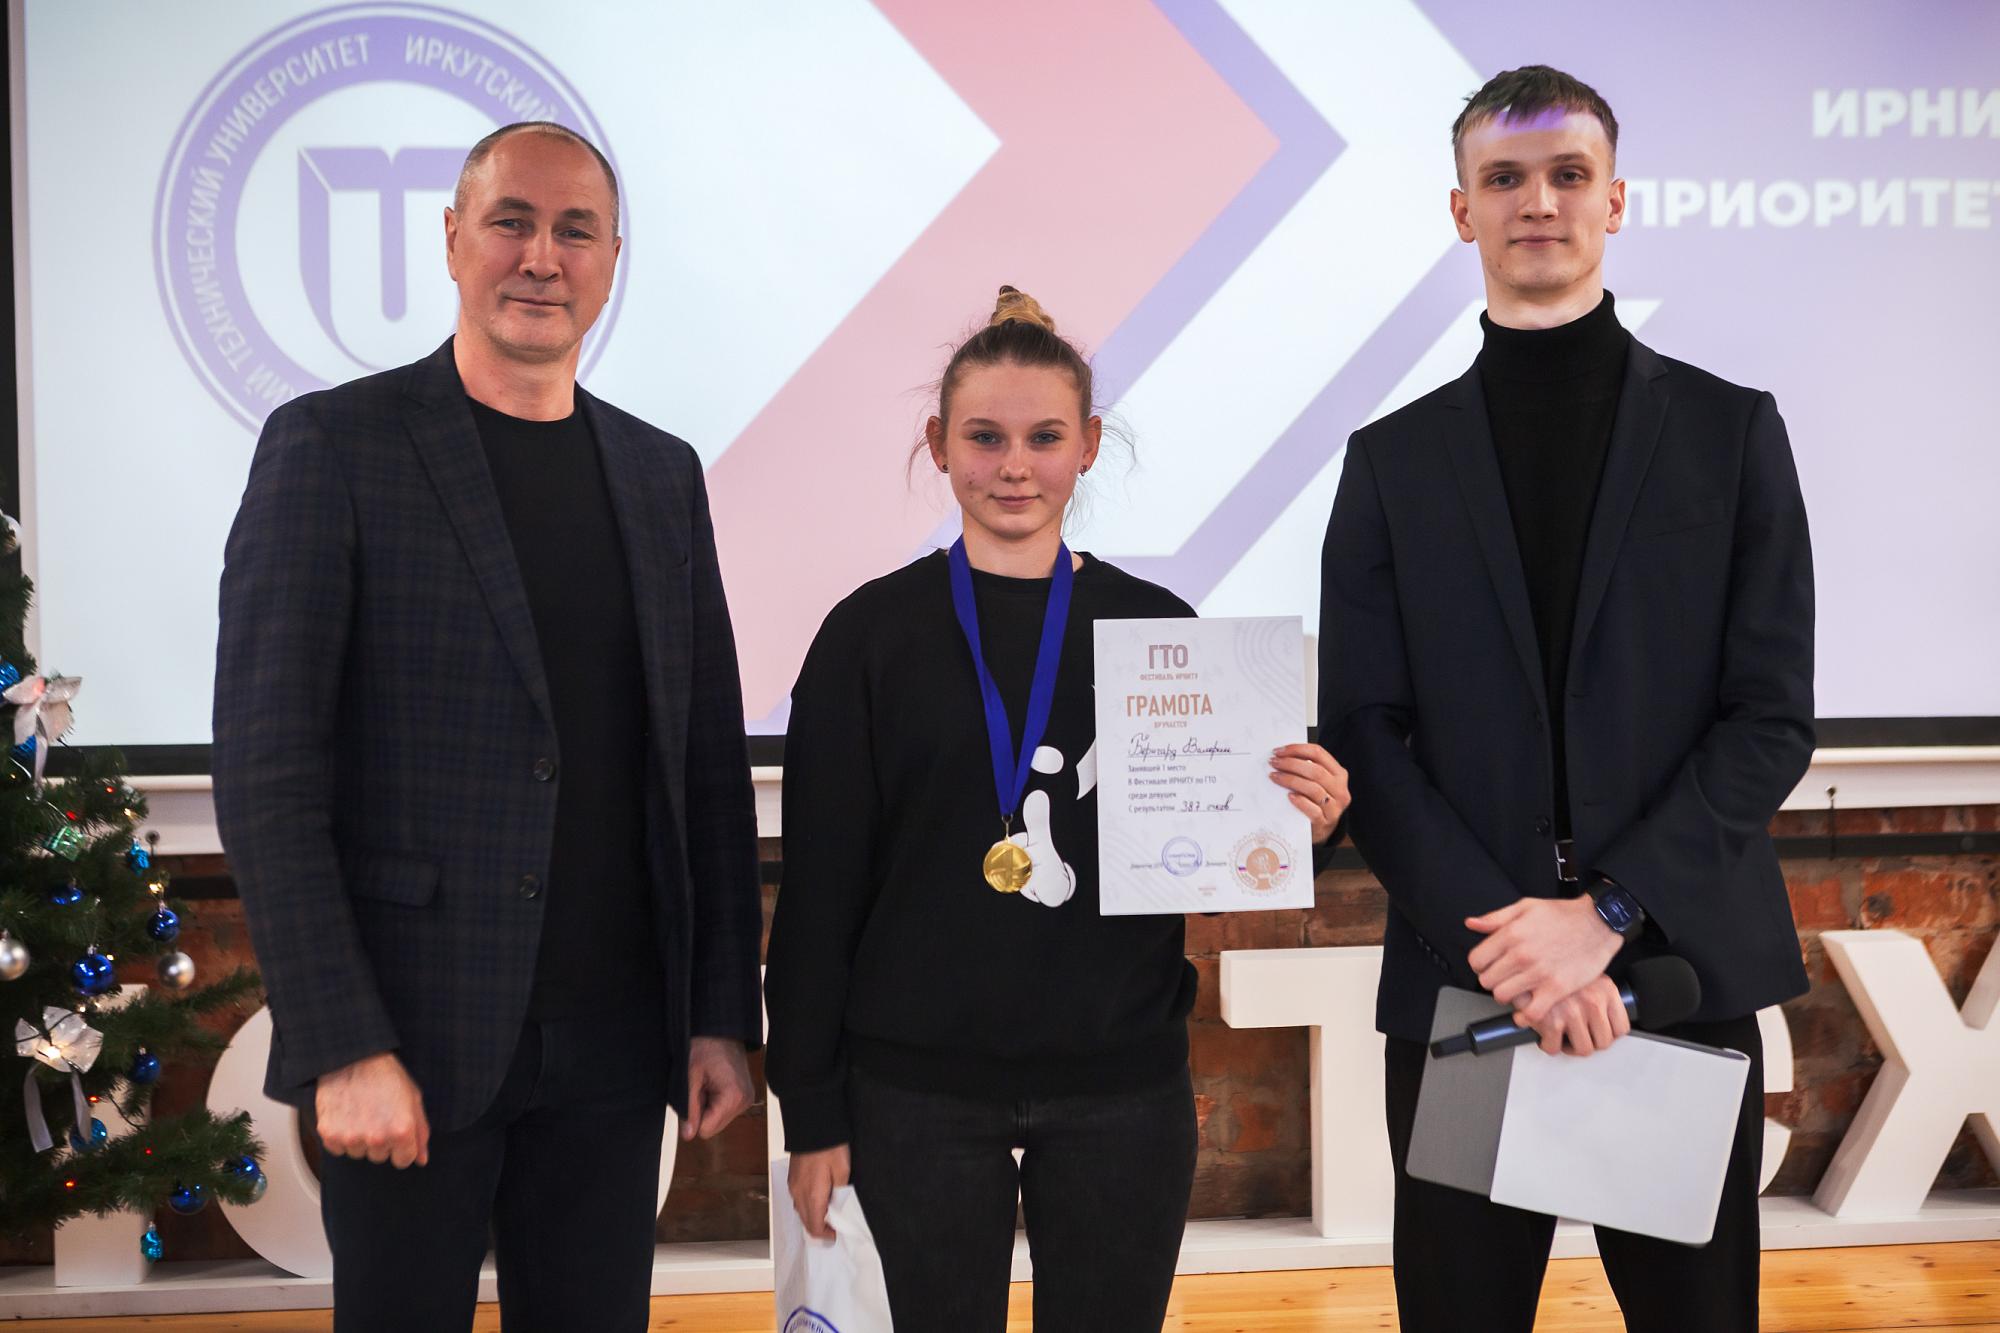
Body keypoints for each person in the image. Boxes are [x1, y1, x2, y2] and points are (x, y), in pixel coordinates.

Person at [212, 121, 763, 1332]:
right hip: (408, 1045)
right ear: (453, 238)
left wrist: (719, 1011)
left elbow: (703, 768)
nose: (541, 257)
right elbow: (267, 774)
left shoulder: (660, 474)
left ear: (611, 261)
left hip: (616, 1046)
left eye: (575, 231)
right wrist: (342, 1043)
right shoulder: (332, 446)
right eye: (511, 221)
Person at [1318, 66, 1815, 1332]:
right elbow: (1363, 729)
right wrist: (1515, 946)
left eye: (1565, 175)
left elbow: (1768, 717)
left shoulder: (1729, 432)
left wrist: (1602, 914)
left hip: (1675, 973)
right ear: (1461, 211)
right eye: (1503, 179)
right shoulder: (1388, 462)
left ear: (1613, 200)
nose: (1535, 202)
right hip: (1467, 984)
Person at [764, 287, 1350, 1331]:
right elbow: (817, 897)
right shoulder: (868, 638)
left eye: (1043, 437)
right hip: (915, 1094)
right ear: (938, 445)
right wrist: (809, 1113)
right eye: (983, 437)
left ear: (1087, 446)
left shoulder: (1158, 632)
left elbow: (1221, 849)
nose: (1013, 466)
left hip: (1119, 1088)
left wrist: (1305, 821)